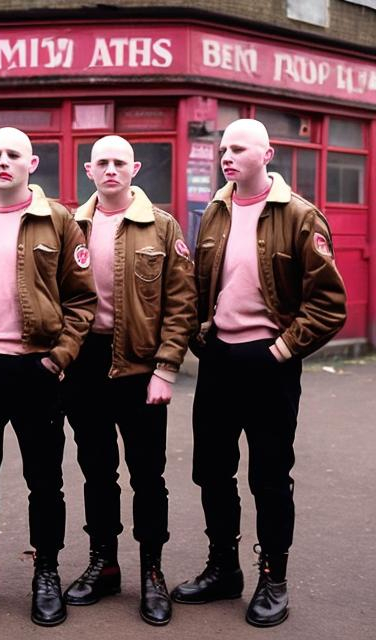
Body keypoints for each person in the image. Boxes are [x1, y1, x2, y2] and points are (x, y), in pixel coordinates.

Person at [171, 119, 347, 627]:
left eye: (238, 148)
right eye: (223, 148)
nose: (226, 156)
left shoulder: (299, 216)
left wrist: (282, 350)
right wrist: (202, 336)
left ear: (266, 154)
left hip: (270, 364)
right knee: (211, 471)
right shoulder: (215, 212)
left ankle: (274, 577)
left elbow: (329, 304)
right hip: (220, 361)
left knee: (269, 477)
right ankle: (223, 569)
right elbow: (201, 286)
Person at [0, 126, 96, 626]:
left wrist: (59, 358)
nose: (4, 161)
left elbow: (82, 300)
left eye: (15, 154)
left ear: (33, 164)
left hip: (37, 369)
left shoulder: (59, 221)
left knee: (45, 481)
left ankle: (46, 571)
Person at [63, 136, 196, 625]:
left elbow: (182, 304)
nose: (112, 169)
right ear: (89, 170)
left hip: (141, 368)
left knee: (147, 476)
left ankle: (153, 572)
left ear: (135, 169)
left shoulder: (161, 227)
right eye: (103, 163)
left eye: (121, 162)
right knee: (97, 472)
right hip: (84, 364)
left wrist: (166, 369)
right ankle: (104, 563)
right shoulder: (69, 226)